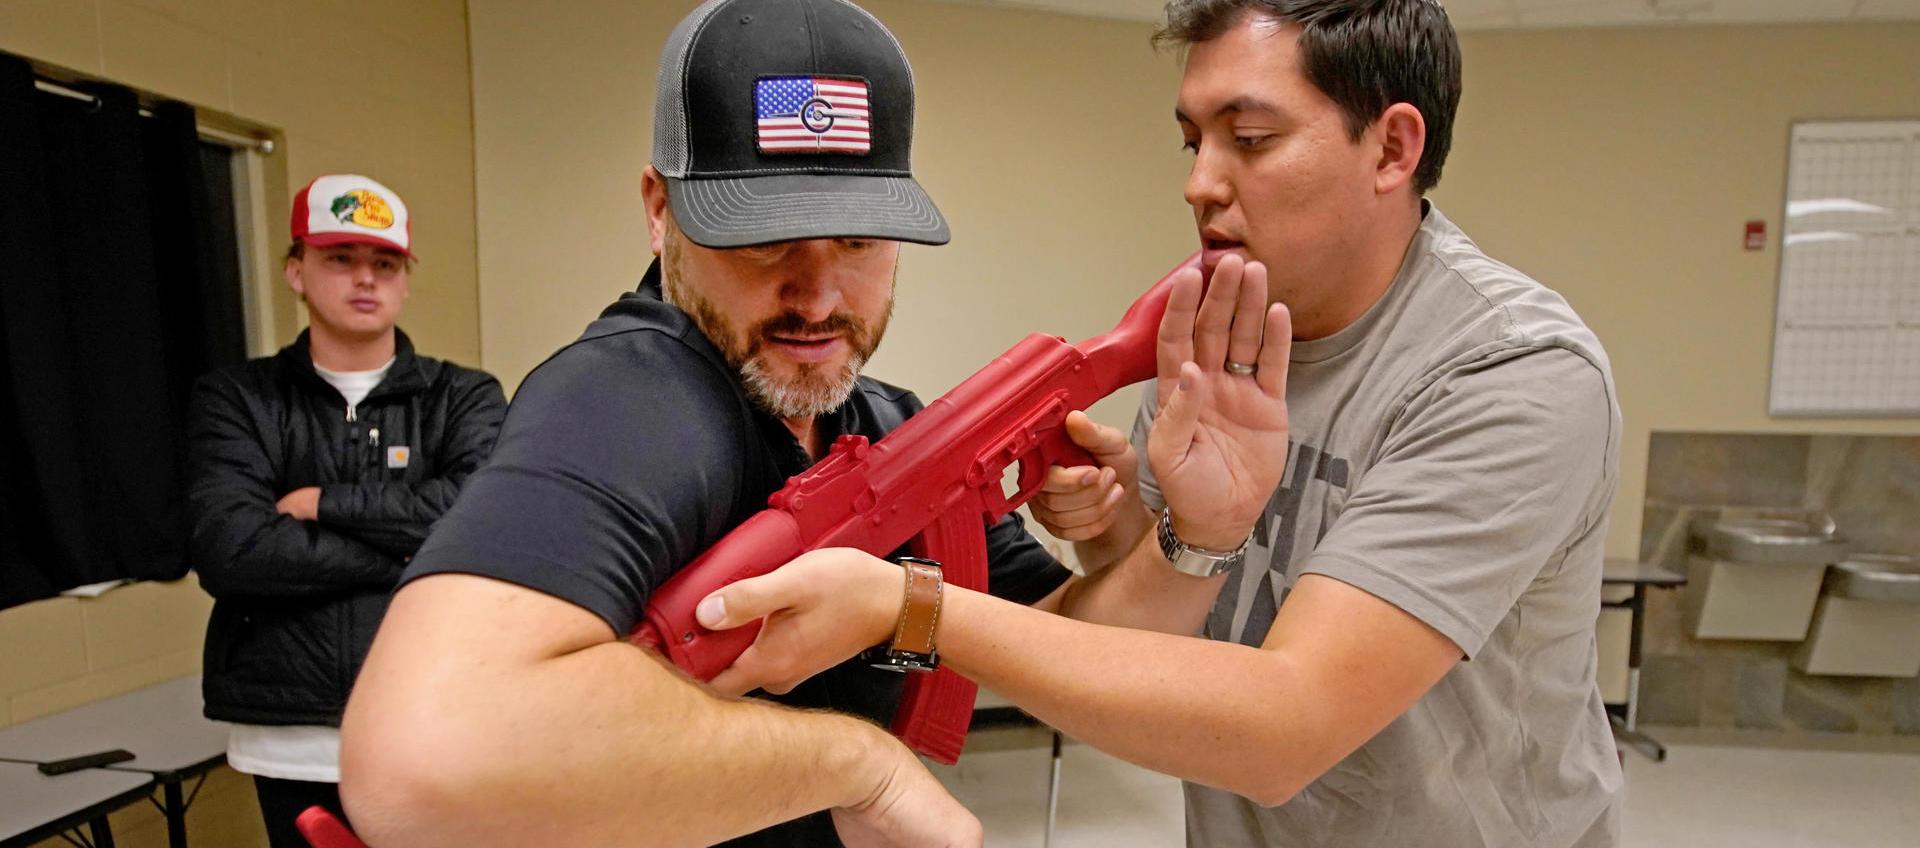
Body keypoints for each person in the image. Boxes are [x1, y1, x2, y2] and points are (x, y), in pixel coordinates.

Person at [695, 1, 1627, 846]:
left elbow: (1285, 727)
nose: (1200, 184)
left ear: (1392, 149)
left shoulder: (1513, 374)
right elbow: (1175, 635)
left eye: (1250, 139)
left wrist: (907, 607)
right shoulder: (1209, 329)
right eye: (1192, 142)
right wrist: (1139, 531)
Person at [337, 2, 1205, 845]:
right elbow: (421, 761)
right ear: (660, 210)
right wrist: (862, 766)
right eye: (764, 239)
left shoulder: (884, 422)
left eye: (858, 242)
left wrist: (1178, 533)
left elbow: (1095, 668)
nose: (819, 298)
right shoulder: (635, 398)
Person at [186, 174, 507, 847]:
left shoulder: (463, 396)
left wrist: (322, 503)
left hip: (434, 713)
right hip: (290, 727)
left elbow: (483, 521)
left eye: (385, 263)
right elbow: (232, 549)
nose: (365, 278)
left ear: (405, 281)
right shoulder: (239, 398)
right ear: (295, 271)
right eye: (340, 258)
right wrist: (412, 549)